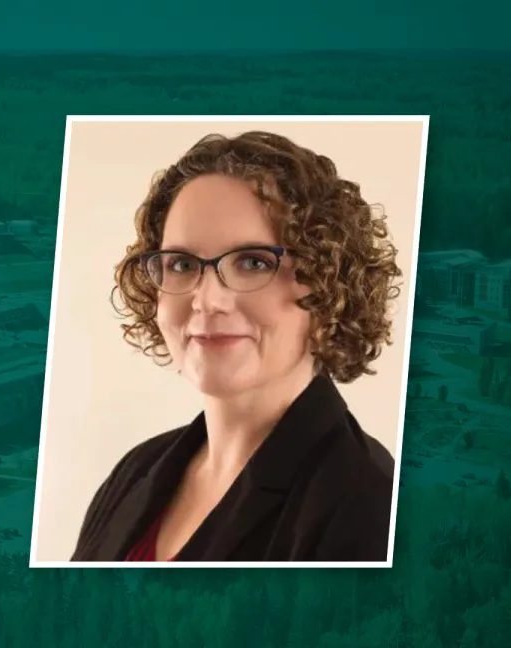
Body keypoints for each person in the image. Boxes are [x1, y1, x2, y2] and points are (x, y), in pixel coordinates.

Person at [72, 131, 400, 561]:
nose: (206, 300)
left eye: (253, 262)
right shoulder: (137, 470)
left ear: (328, 284)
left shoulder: (369, 502)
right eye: (182, 264)